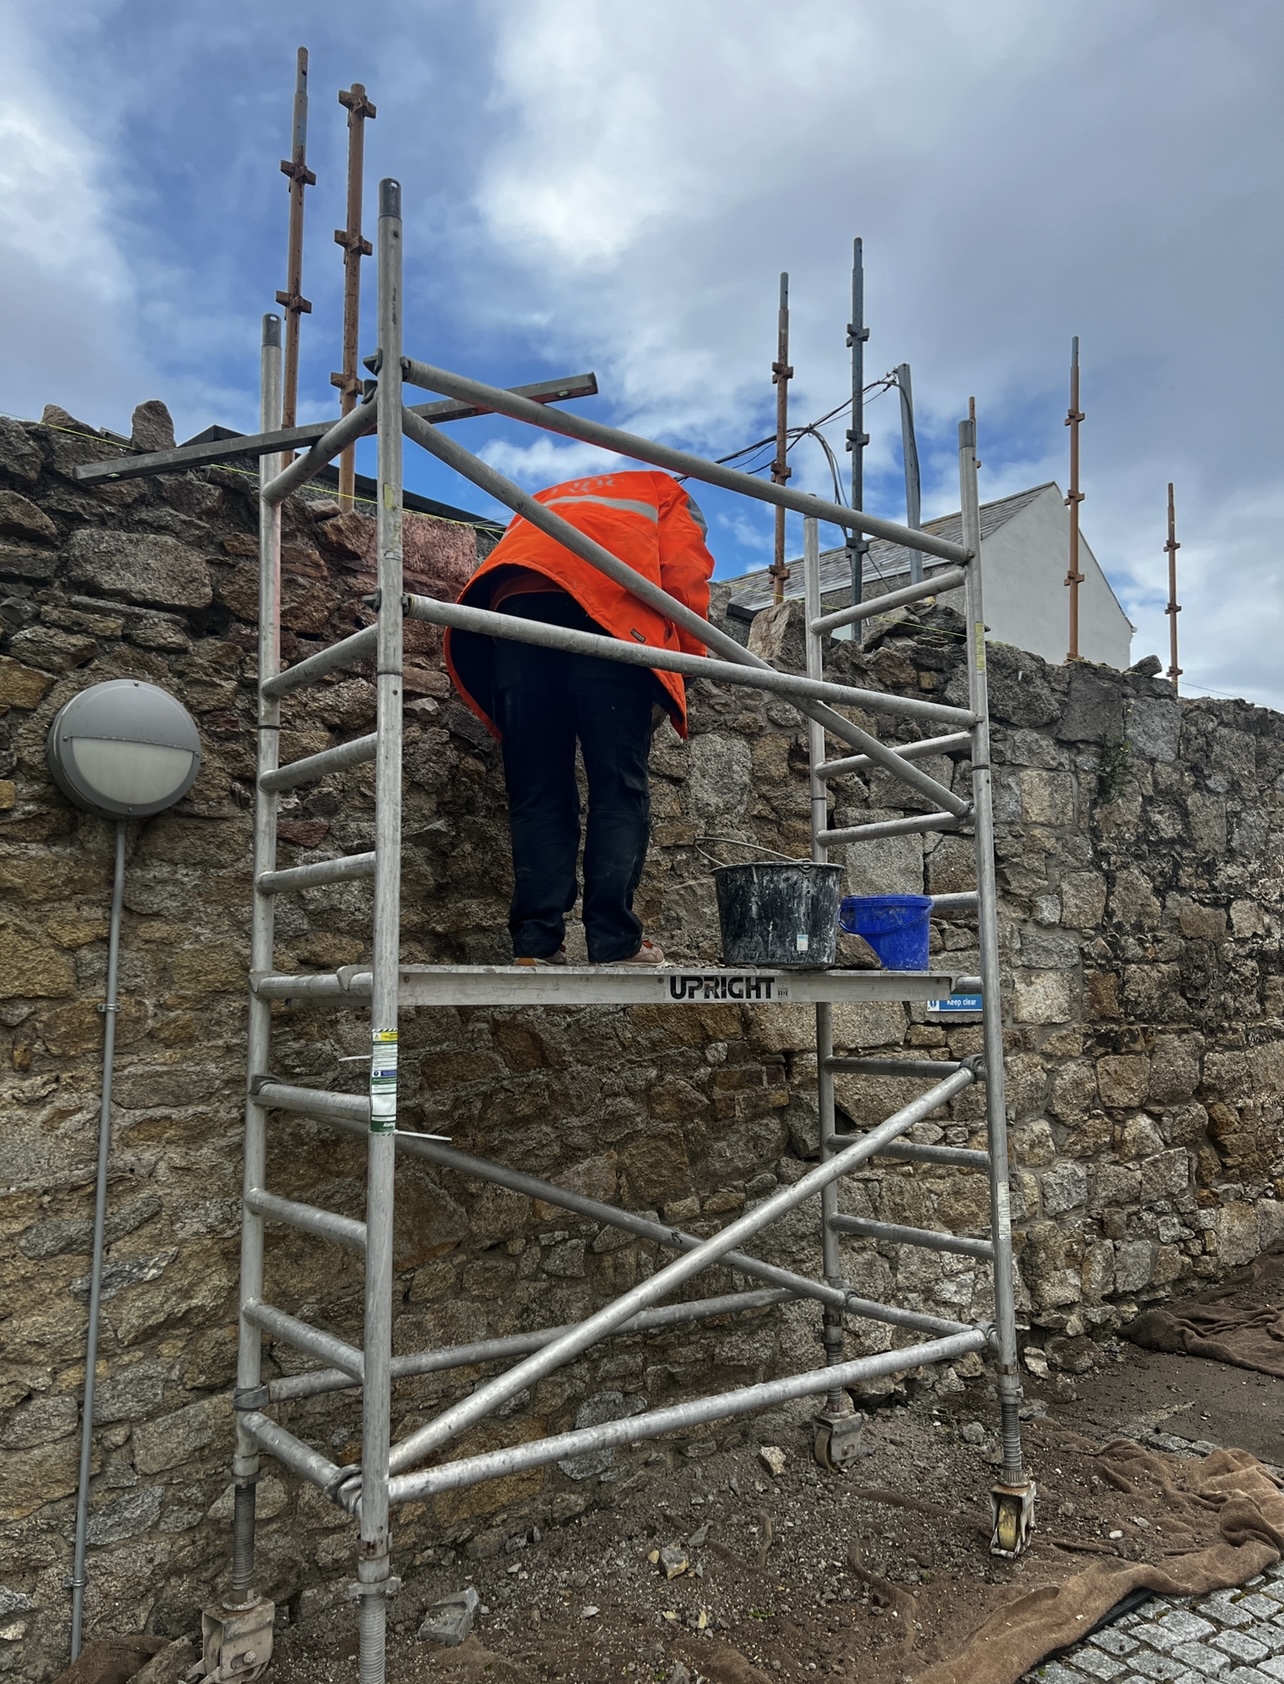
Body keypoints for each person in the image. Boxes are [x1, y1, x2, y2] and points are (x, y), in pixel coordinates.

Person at [444, 470, 716, 966]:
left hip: (513, 619)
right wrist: (687, 664)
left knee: (537, 789)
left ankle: (535, 944)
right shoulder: (666, 492)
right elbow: (682, 578)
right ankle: (614, 941)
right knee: (618, 785)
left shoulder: (552, 495)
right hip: (608, 617)